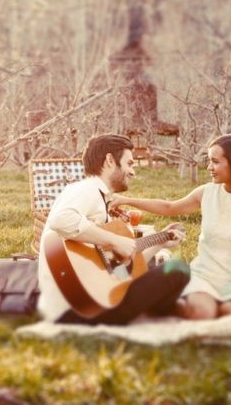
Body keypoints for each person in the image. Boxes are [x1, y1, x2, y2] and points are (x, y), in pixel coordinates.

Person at [110, 133, 231, 319]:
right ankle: (162, 302)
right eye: (209, 161)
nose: (209, 167)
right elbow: (169, 207)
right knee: (201, 313)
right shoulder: (207, 192)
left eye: (215, 161)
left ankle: (207, 307)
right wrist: (126, 199)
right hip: (205, 275)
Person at [37, 133, 190, 325]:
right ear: (110, 160)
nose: (133, 172)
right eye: (130, 163)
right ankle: (161, 312)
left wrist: (160, 243)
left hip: (88, 303)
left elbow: (122, 272)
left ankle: (159, 311)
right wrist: (115, 240)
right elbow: (61, 219)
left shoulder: (99, 199)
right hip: (79, 308)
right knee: (178, 268)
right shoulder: (87, 189)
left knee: (162, 268)